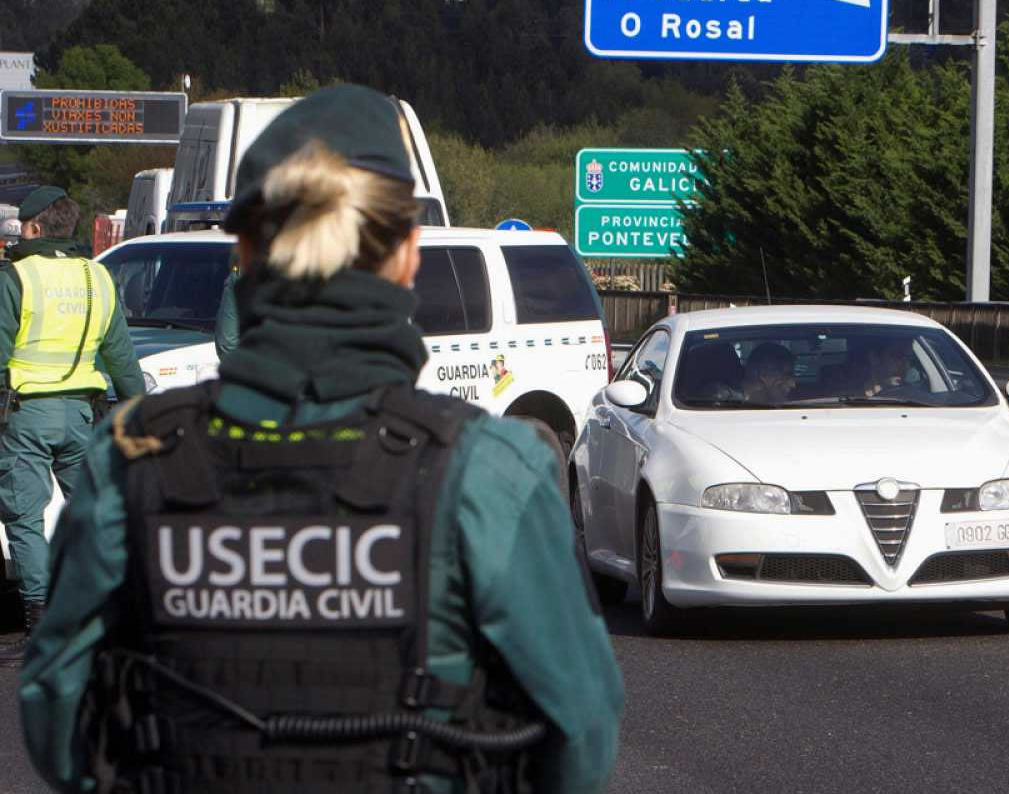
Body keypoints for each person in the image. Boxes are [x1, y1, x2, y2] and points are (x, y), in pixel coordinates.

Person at [19, 85, 624, 794]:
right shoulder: (488, 472)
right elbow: (581, 735)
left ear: (244, 251)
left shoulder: (131, 461)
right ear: (407, 254)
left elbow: (58, 724)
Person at [0, 186, 143, 665]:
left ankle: (40, 623)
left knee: (24, 517)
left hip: (25, 416)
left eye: (22, 226)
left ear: (36, 227)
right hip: (84, 413)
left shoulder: (16, 277)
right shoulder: (97, 276)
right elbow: (122, 357)